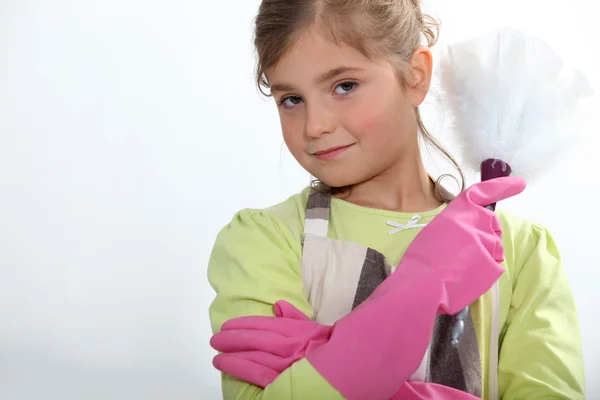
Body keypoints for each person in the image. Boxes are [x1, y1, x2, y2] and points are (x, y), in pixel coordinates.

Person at [206, 0, 585, 399]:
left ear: (416, 75)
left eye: (344, 86)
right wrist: (420, 285)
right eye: (291, 99)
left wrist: (334, 359)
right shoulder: (261, 241)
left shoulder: (520, 251)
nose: (315, 125)